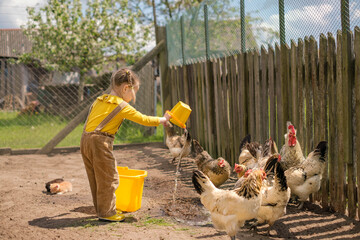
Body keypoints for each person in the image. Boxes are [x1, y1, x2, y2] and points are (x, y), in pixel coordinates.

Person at [80, 68, 170, 222]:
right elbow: (143, 119)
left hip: (85, 140)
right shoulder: (121, 106)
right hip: (100, 142)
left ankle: (102, 209)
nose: (134, 95)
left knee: (95, 177)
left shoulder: (99, 99)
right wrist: (163, 119)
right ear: (125, 88)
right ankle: (107, 213)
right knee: (109, 178)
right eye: (135, 91)